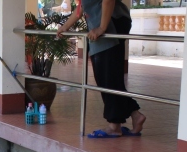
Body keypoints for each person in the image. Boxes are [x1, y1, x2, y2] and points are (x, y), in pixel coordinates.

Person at [57, 0, 146, 138]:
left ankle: (114, 126)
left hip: (110, 26)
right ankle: (135, 115)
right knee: (109, 77)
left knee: (107, 77)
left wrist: (102, 28)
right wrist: (65, 27)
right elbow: (81, 8)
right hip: (105, 27)